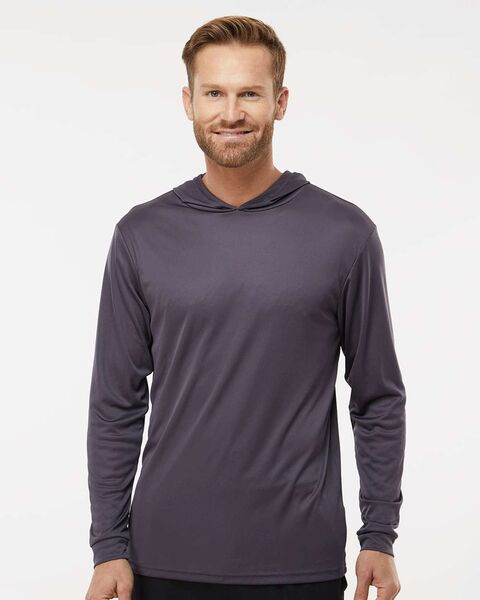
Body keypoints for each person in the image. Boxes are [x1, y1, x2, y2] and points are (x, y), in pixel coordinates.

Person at [85, 14, 405, 600]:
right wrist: (109, 545)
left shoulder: (345, 234)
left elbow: (378, 397)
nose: (230, 113)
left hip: (300, 564)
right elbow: (115, 402)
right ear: (188, 102)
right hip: (164, 558)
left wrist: (378, 535)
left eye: (249, 94)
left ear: (280, 102)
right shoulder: (141, 235)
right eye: (214, 93)